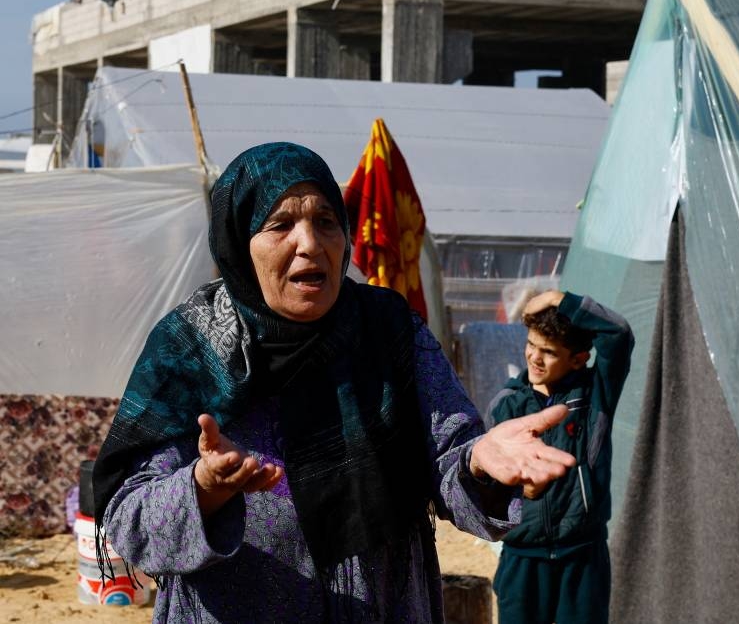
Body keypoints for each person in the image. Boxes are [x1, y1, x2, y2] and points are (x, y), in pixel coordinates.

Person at [92, 142, 577, 623]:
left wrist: (479, 464)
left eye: (326, 221)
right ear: (239, 242)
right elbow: (130, 520)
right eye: (281, 225)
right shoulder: (189, 351)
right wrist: (203, 488)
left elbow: (451, 459)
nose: (310, 243)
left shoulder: (389, 331)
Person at [486, 289, 634, 624]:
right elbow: (487, 487)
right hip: (523, 558)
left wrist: (557, 298)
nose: (534, 357)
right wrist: (520, 493)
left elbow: (619, 334)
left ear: (578, 359)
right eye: (531, 345)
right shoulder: (505, 405)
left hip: (582, 556)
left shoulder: (595, 395)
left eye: (549, 352)